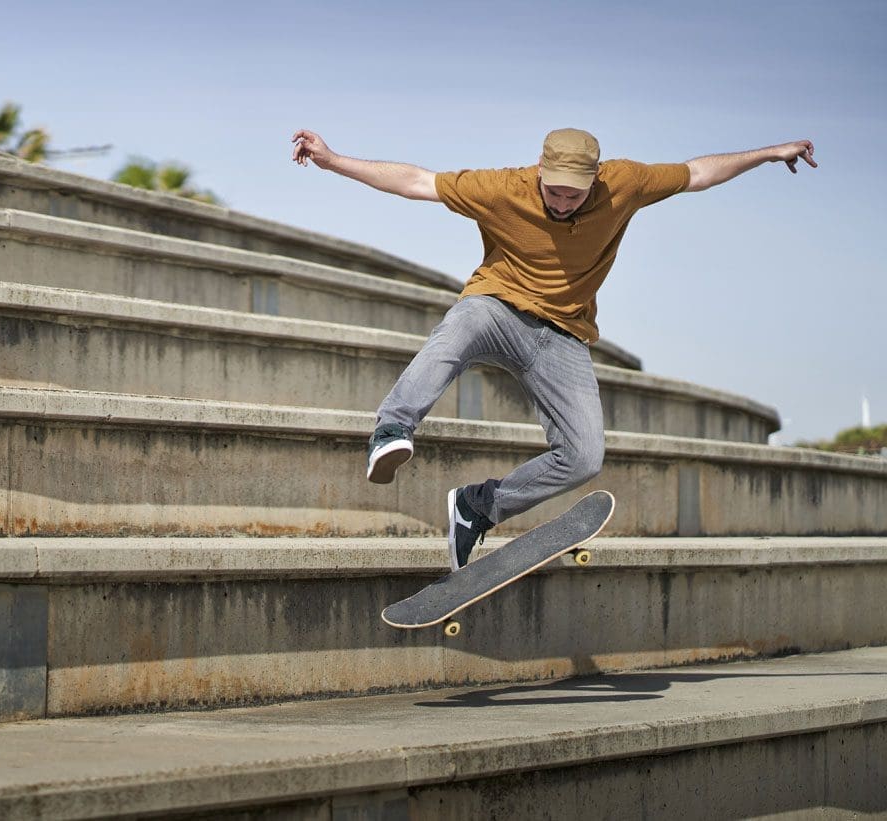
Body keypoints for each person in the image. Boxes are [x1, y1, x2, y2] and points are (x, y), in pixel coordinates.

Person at [291, 127, 816, 571]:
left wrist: (767, 154)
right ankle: (393, 427)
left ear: (595, 179)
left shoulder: (626, 183)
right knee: (462, 321)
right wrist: (333, 160)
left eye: (575, 195)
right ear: (539, 172)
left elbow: (697, 173)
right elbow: (416, 183)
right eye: (555, 192)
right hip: (498, 307)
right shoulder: (501, 188)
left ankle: (479, 508)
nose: (563, 203)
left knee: (585, 456)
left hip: (562, 336)